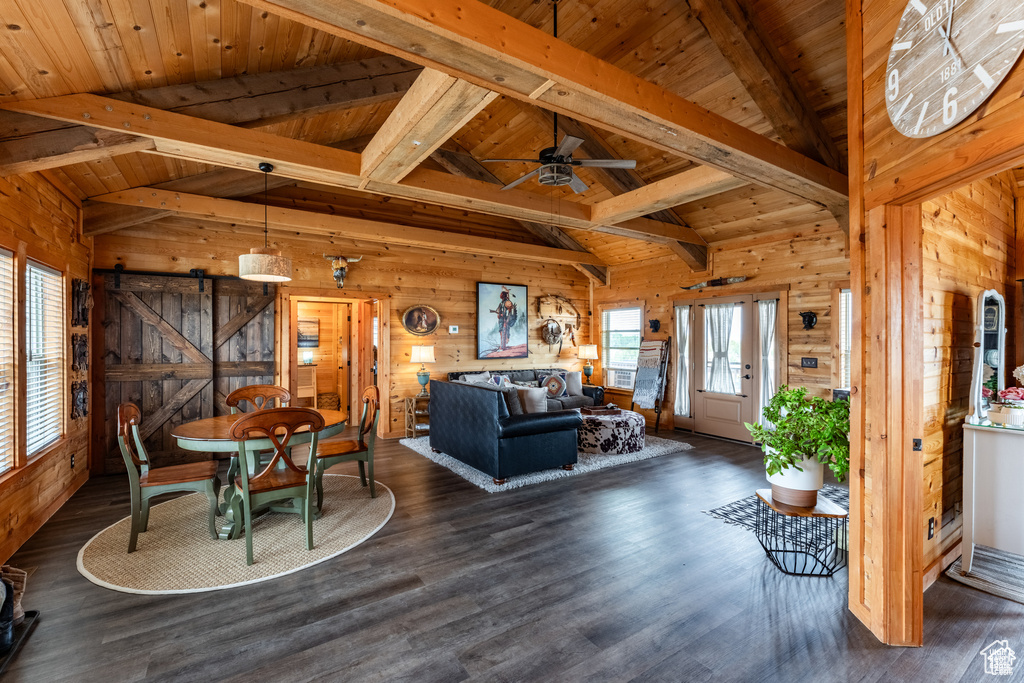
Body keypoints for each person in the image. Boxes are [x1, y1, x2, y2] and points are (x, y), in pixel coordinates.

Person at [489, 286, 518, 351]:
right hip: (501, 320)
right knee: (501, 332)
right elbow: (501, 311)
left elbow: (509, 311)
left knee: (505, 332)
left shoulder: (507, 302)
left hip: (505, 320)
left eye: (502, 294)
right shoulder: (501, 303)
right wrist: (499, 315)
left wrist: (505, 318)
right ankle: (502, 345)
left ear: (504, 295)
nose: (500, 295)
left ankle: (503, 346)